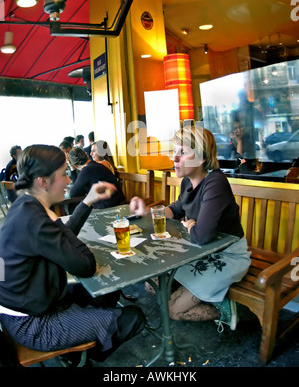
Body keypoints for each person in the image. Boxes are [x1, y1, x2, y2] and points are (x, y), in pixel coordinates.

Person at [0, 144, 145, 361]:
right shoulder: (38, 219)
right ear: (44, 181)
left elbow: (59, 239)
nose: (69, 180)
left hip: (30, 303)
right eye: (63, 174)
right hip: (33, 324)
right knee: (134, 317)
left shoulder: (25, 205)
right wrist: (54, 219)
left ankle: (86, 340)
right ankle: (84, 353)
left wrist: (87, 201)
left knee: (109, 290)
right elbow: (86, 265)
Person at [130, 126, 251, 331]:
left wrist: (191, 226)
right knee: (152, 284)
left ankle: (224, 310)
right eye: (174, 151)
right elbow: (176, 209)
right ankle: (201, 294)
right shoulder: (188, 180)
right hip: (202, 251)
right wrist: (148, 213)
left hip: (226, 255)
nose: (174, 158)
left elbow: (201, 236)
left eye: (183, 152)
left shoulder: (215, 182)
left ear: (202, 158)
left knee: (173, 311)